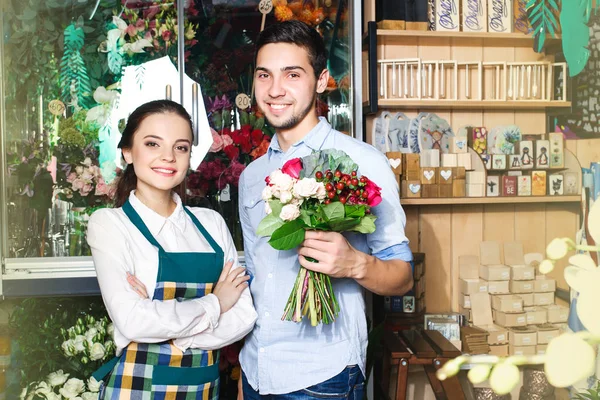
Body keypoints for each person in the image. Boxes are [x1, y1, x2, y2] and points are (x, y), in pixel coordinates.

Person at [238, 20, 414, 399]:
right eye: (264, 75)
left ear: (321, 81)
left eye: (292, 74)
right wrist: (244, 375)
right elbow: (257, 274)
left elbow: (402, 276)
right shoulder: (251, 177)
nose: (275, 90)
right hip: (256, 369)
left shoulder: (362, 161)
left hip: (323, 376)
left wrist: (355, 264)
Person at [87, 99, 257, 398]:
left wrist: (171, 332)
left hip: (202, 386)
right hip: (135, 387)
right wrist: (215, 303)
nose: (168, 157)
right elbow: (133, 320)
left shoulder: (212, 223)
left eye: (180, 147)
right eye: (153, 144)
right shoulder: (110, 224)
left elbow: (243, 315)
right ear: (127, 152)